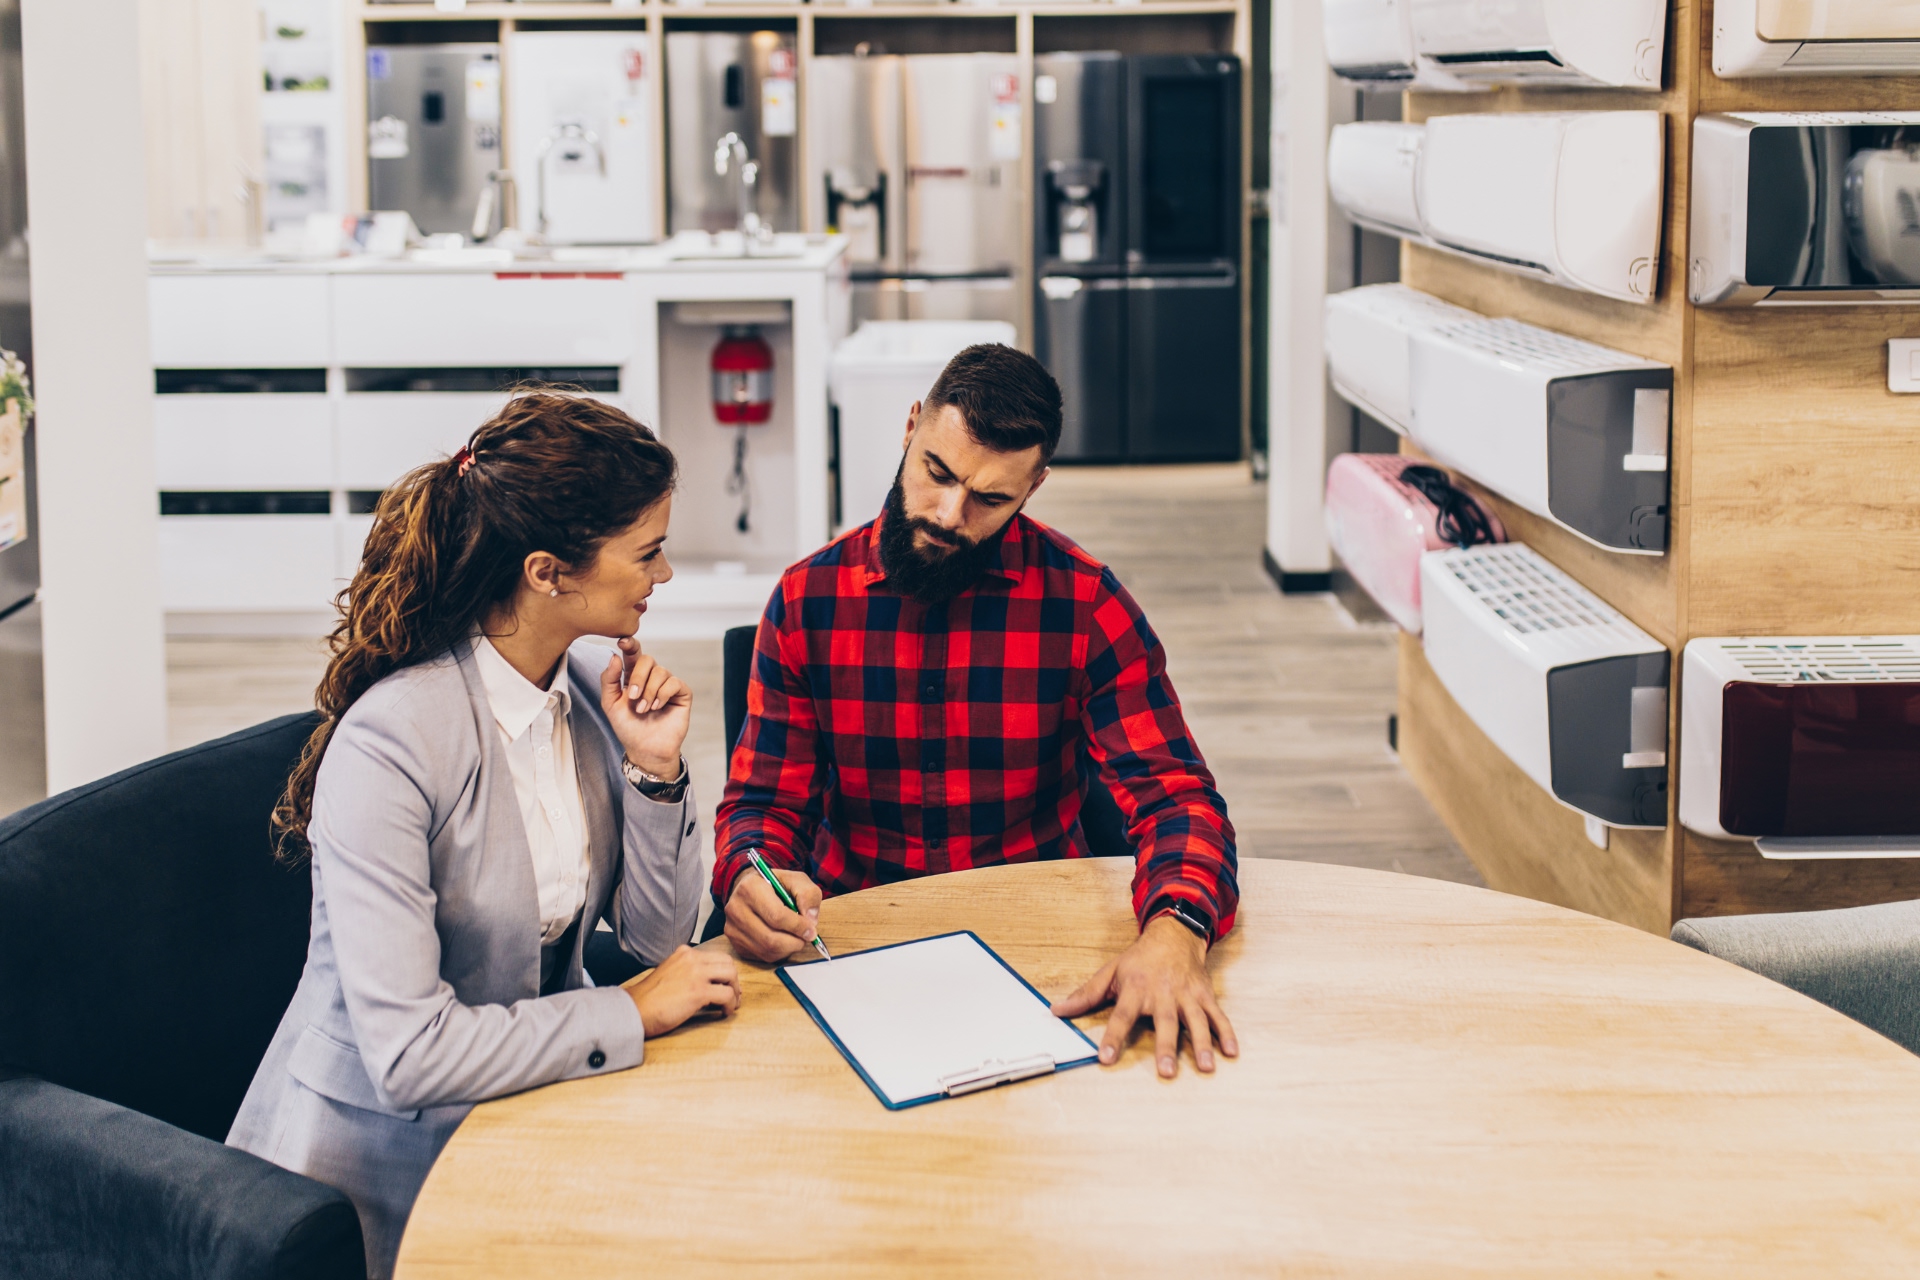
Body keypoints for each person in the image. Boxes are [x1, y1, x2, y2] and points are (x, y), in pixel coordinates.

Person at [229, 393, 739, 1279]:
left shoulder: (581, 691)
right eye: (647, 551)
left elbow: (658, 942)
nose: (663, 575)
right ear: (548, 571)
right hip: (373, 1182)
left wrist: (655, 771)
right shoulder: (393, 743)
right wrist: (628, 1009)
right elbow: (410, 1056)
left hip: (530, 1119)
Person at [715, 344, 1240, 1079]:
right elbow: (764, 804)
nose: (948, 514)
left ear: (1034, 487)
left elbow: (1176, 797)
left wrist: (1177, 930)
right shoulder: (807, 601)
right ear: (910, 428)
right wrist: (749, 875)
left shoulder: (1085, 601)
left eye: (990, 499)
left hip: (1038, 945)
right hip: (852, 943)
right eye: (937, 472)